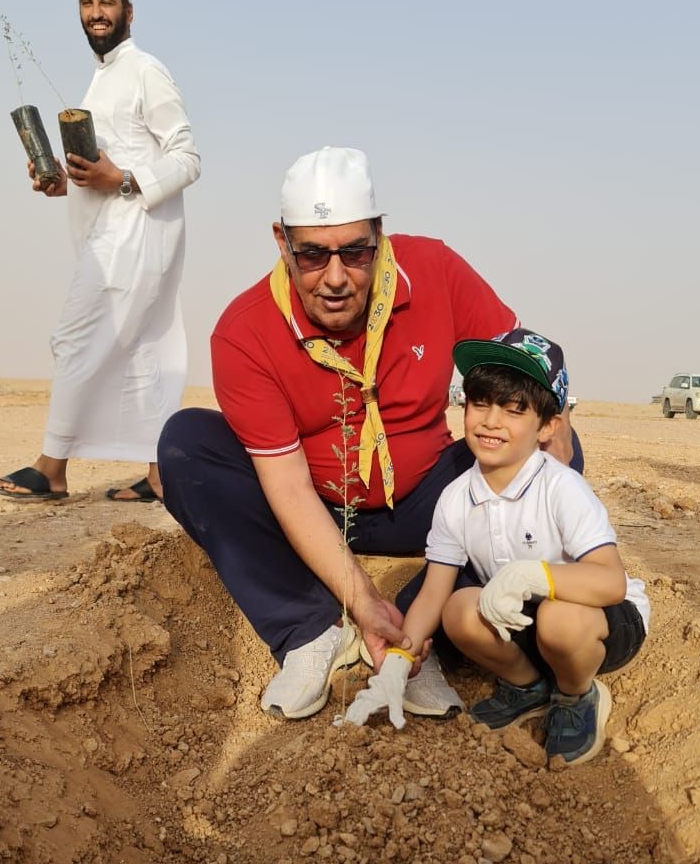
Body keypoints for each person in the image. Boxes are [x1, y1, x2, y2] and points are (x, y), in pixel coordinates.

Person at [158, 146, 580, 720]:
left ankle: (421, 631)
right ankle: (309, 630)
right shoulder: (244, 331)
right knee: (186, 442)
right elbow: (287, 488)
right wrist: (361, 602)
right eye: (312, 255)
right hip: (314, 506)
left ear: (379, 236)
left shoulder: (435, 269)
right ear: (282, 242)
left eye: (355, 252)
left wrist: (560, 424)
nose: (335, 278)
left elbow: (525, 366)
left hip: (427, 502)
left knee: (548, 456)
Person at [346, 330, 649, 765]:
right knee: (458, 609)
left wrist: (532, 575)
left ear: (548, 426)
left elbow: (610, 582)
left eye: (514, 409)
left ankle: (576, 694)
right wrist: (398, 660)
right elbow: (433, 592)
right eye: (480, 403)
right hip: (523, 626)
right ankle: (528, 687)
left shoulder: (561, 487)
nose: (491, 421)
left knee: (559, 618)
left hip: (594, 623)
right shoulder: (456, 498)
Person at [0, 0, 200, 503]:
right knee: (144, 350)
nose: (96, 13)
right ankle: (161, 475)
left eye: (107, 3)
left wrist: (123, 179)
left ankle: (52, 468)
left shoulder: (146, 70)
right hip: (114, 233)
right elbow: (107, 168)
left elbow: (187, 158)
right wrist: (66, 183)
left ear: (129, 12)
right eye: (86, 3)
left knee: (74, 338)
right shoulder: (100, 78)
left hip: (136, 236)